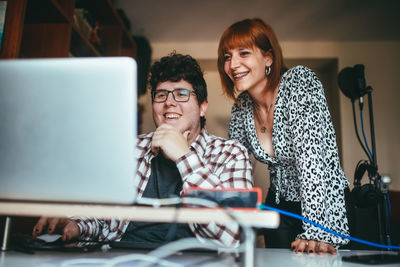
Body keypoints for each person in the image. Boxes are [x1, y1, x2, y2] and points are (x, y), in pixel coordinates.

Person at [32, 52, 253, 247]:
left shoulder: (231, 154)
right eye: (161, 94)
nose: (169, 102)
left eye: (181, 93)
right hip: (120, 257)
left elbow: (234, 236)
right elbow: (99, 217)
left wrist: (184, 156)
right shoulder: (128, 149)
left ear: (203, 107)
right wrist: (75, 225)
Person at [217, 18, 351, 254]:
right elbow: (233, 168)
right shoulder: (241, 107)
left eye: (243, 53)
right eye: (227, 57)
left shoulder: (299, 82)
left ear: (268, 58)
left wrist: (315, 230)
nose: (233, 64)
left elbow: (311, 163)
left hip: (325, 207)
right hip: (278, 208)